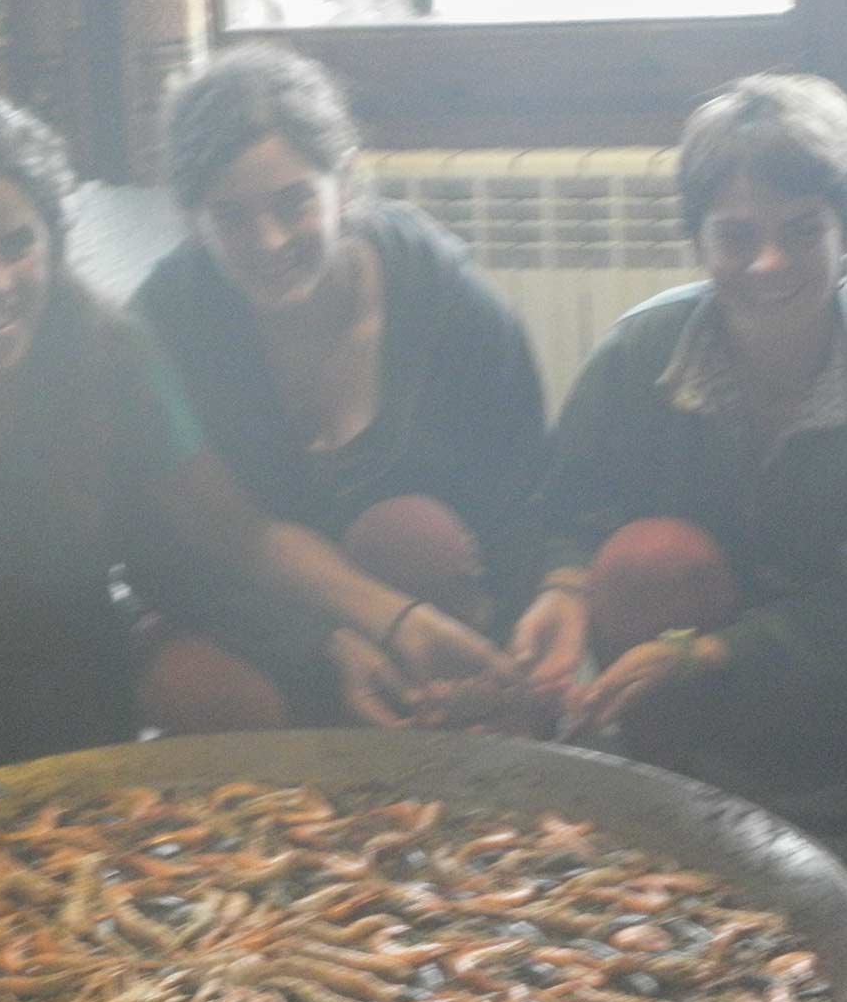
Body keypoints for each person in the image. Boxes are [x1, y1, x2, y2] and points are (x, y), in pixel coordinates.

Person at [0, 95, 514, 825]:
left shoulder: (111, 353)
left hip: (68, 685)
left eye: (17, 244)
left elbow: (239, 532)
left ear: (54, 242)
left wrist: (395, 619)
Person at [525, 74, 847, 940]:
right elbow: (569, 513)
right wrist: (562, 592)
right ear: (696, 239)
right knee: (645, 557)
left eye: (802, 232)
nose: (768, 264)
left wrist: (716, 648)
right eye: (736, 235)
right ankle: (676, 832)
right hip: (686, 678)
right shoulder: (638, 349)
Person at [132, 45, 549, 732]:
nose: (267, 242)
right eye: (231, 216)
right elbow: (164, 553)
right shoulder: (161, 329)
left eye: (293, 203)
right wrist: (319, 640)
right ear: (189, 217)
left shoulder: (453, 308)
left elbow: (521, 508)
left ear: (345, 184)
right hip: (265, 624)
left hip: (433, 612)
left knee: (411, 534)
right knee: (189, 680)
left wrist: (502, 665)